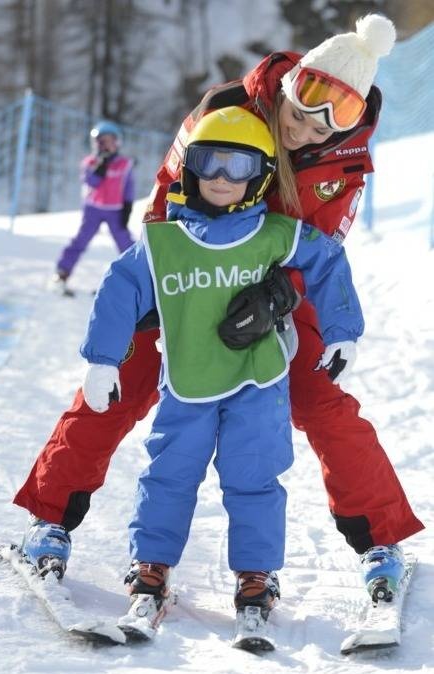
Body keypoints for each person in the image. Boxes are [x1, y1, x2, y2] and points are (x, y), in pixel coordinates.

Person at [14, 14, 423, 588]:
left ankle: (381, 543)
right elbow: (168, 192)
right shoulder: (224, 108)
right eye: (298, 114)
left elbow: (322, 248)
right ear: (290, 84)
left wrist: (280, 294)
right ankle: (48, 518)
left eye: (324, 126)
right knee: (119, 383)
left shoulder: (346, 158)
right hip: (190, 272)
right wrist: (164, 287)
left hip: (274, 288)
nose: (305, 132)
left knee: (321, 400)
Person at [79, 107, 366, 629]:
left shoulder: (274, 232)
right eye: (211, 163)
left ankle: (256, 574)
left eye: (239, 168)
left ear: (259, 177)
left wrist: (343, 330)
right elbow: (118, 291)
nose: (221, 178)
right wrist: (102, 361)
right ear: (191, 168)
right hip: (187, 385)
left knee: (254, 477)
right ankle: (151, 565)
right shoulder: (162, 242)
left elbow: (327, 261)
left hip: (259, 385)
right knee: (168, 474)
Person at [53, 120, 135, 296]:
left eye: (110, 141)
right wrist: (101, 165)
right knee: (80, 240)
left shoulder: (124, 164)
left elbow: (128, 187)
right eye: (101, 141)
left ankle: (136, 275)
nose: (106, 145)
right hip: (93, 209)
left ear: (117, 142)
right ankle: (62, 273)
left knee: (125, 243)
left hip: (116, 210)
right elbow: (91, 182)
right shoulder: (89, 162)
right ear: (95, 144)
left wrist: (127, 208)